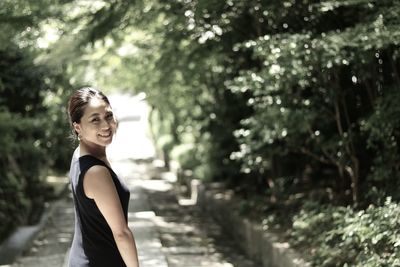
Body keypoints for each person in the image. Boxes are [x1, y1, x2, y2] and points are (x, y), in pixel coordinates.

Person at [67, 87, 139, 267]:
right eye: (95, 120)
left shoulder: (80, 155)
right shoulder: (95, 172)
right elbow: (121, 233)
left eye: (108, 116)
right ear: (78, 127)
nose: (106, 125)